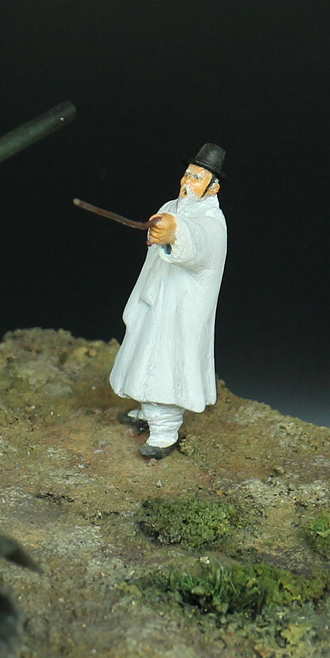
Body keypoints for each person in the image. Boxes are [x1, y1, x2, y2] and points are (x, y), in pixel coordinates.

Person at [109, 143, 227, 459]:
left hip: (180, 309)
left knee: (168, 363)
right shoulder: (171, 206)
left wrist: (175, 232)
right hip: (155, 297)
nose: (188, 182)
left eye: (197, 178)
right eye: (187, 174)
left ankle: (164, 432)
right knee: (144, 354)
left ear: (213, 188)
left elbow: (199, 240)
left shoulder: (212, 221)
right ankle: (149, 411)